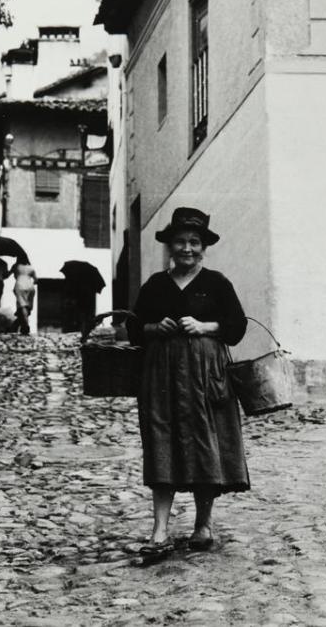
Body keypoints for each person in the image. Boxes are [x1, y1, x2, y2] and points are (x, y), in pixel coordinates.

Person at [128, 207, 249, 558]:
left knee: (205, 442)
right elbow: (134, 328)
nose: (187, 249)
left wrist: (206, 326)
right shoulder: (155, 285)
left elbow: (237, 327)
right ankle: (160, 530)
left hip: (205, 375)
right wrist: (154, 328)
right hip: (162, 376)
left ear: (203, 247)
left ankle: (203, 525)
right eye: (179, 241)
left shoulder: (216, 283)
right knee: (161, 441)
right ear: (169, 245)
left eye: (194, 242)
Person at [10, 258, 37, 335]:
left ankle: (26, 325)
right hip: (30, 286)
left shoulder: (16, 266)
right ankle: (22, 324)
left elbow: (7, 274)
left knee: (22, 306)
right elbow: (36, 280)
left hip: (20, 285)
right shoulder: (31, 268)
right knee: (28, 307)